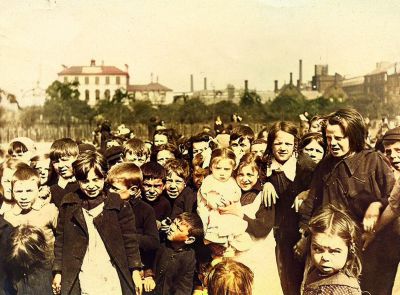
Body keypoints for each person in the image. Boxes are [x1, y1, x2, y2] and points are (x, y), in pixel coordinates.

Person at [299, 108, 395, 295]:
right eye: (328, 138)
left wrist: (377, 205)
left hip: (369, 247)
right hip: (332, 248)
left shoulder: (373, 161)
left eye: (339, 138)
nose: (332, 143)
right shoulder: (325, 165)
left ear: (354, 136)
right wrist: (304, 235)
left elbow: (394, 199)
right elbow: (311, 203)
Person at [52, 151, 142, 295]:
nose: (91, 186)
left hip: (109, 270)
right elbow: (61, 240)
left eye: (96, 180)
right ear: (77, 180)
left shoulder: (117, 203)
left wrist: (136, 270)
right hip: (82, 269)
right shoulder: (69, 203)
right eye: (85, 181)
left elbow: (130, 240)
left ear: (105, 177)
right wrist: (58, 271)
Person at [262, 121, 316, 295]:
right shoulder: (264, 164)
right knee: (276, 277)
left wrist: (307, 193)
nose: (283, 148)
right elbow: (247, 177)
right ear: (271, 144)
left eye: (288, 143)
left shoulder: (305, 165)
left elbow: (319, 188)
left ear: (295, 144)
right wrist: (264, 184)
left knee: (296, 278)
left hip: (297, 231)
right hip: (270, 232)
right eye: (278, 143)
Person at [227, 152, 281, 294]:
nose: (245, 179)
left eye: (250, 175)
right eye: (240, 175)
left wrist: (239, 214)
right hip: (237, 254)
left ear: (258, 175)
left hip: (259, 255)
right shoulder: (232, 194)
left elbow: (262, 228)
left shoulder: (264, 195)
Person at [107, 162, 160, 284]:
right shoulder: (105, 206)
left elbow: (153, 241)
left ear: (133, 190)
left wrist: (127, 237)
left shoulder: (145, 210)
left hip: (133, 268)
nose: (110, 191)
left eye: (115, 189)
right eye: (109, 187)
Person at [197, 148, 250, 256]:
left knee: (233, 224)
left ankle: (232, 243)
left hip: (228, 210)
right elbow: (206, 194)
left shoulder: (232, 180)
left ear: (232, 169)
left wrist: (231, 199)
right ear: (211, 167)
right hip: (213, 210)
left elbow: (237, 193)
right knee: (217, 225)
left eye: (226, 169)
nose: (222, 173)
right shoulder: (209, 180)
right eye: (218, 168)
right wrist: (214, 201)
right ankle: (218, 244)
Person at [302, 206, 362, 295]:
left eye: (334, 251)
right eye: (318, 249)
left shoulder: (342, 289)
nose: (325, 258)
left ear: (349, 250)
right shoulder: (315, 272)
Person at [144, 212, 203, 295]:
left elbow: (184, 287)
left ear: (189, 240)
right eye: (173, 223)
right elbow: (147, 258)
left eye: (178, 228)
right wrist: (148, 275)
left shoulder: (189, 258)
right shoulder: (160, 240)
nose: (172, 227)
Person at [4, 166, 58, 245]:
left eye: (29, 191)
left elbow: (61, 238)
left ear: (39, 191)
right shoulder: (8, 216)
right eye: (19, 191)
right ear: (12, 193)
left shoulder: (50, 211)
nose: (24, 197)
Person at [5, 225, 53, 295]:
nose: (23, 265)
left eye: (26, 261)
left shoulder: (46, 271)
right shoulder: (14, 268)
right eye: (19, 261)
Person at [49, 138, 80, 208]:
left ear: (77, 158)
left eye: (65, 160)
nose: (60, 165)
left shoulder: (85, 184)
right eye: (55, 162)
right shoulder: (51, 188)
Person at [140, 162, 171, 230]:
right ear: (140, 184)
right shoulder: (135, 202)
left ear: (164, 186)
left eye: (157, 186)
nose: (152, 191)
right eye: (147, 185)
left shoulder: (165, 204)